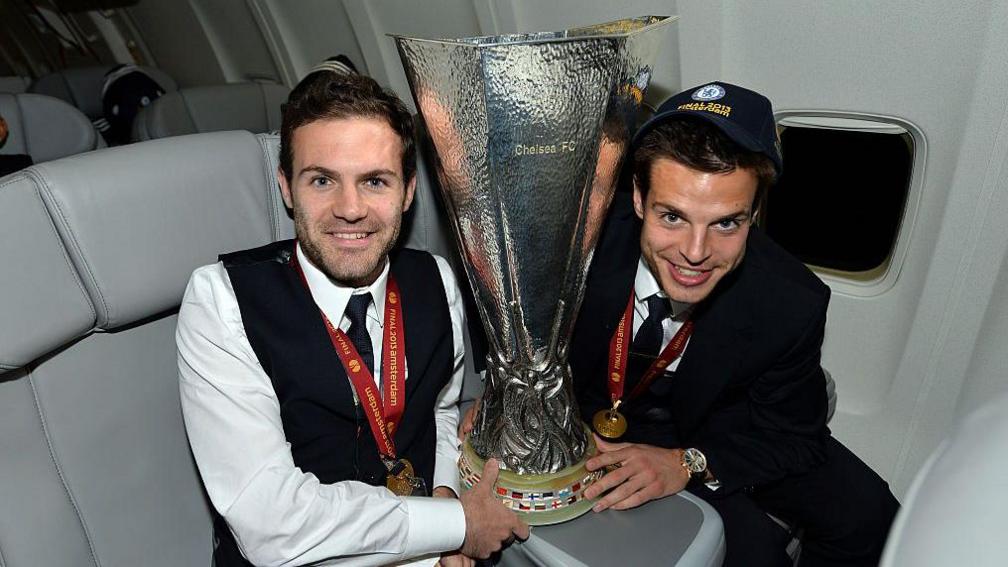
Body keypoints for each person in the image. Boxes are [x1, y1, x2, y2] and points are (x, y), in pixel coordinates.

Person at [177, 71, 526, 567]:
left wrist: (447, 493)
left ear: (407, 192)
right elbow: (271, 524)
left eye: (375, 181)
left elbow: (438, 412)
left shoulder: (436, 280)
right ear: (287, 189)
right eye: (322, 180)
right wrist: (454, 525)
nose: (350, 209)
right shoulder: (222, 300)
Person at [570, 82, 899, 566]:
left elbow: (795, 436)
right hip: (591, 416)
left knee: (872, 515)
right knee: (754, 555)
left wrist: (689, 462)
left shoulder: (790, 301)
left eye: (726, 223)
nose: (695, 253)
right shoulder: (577, 246)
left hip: (720, 424)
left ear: (755, 212)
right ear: (638, 198)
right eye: (673, 216)